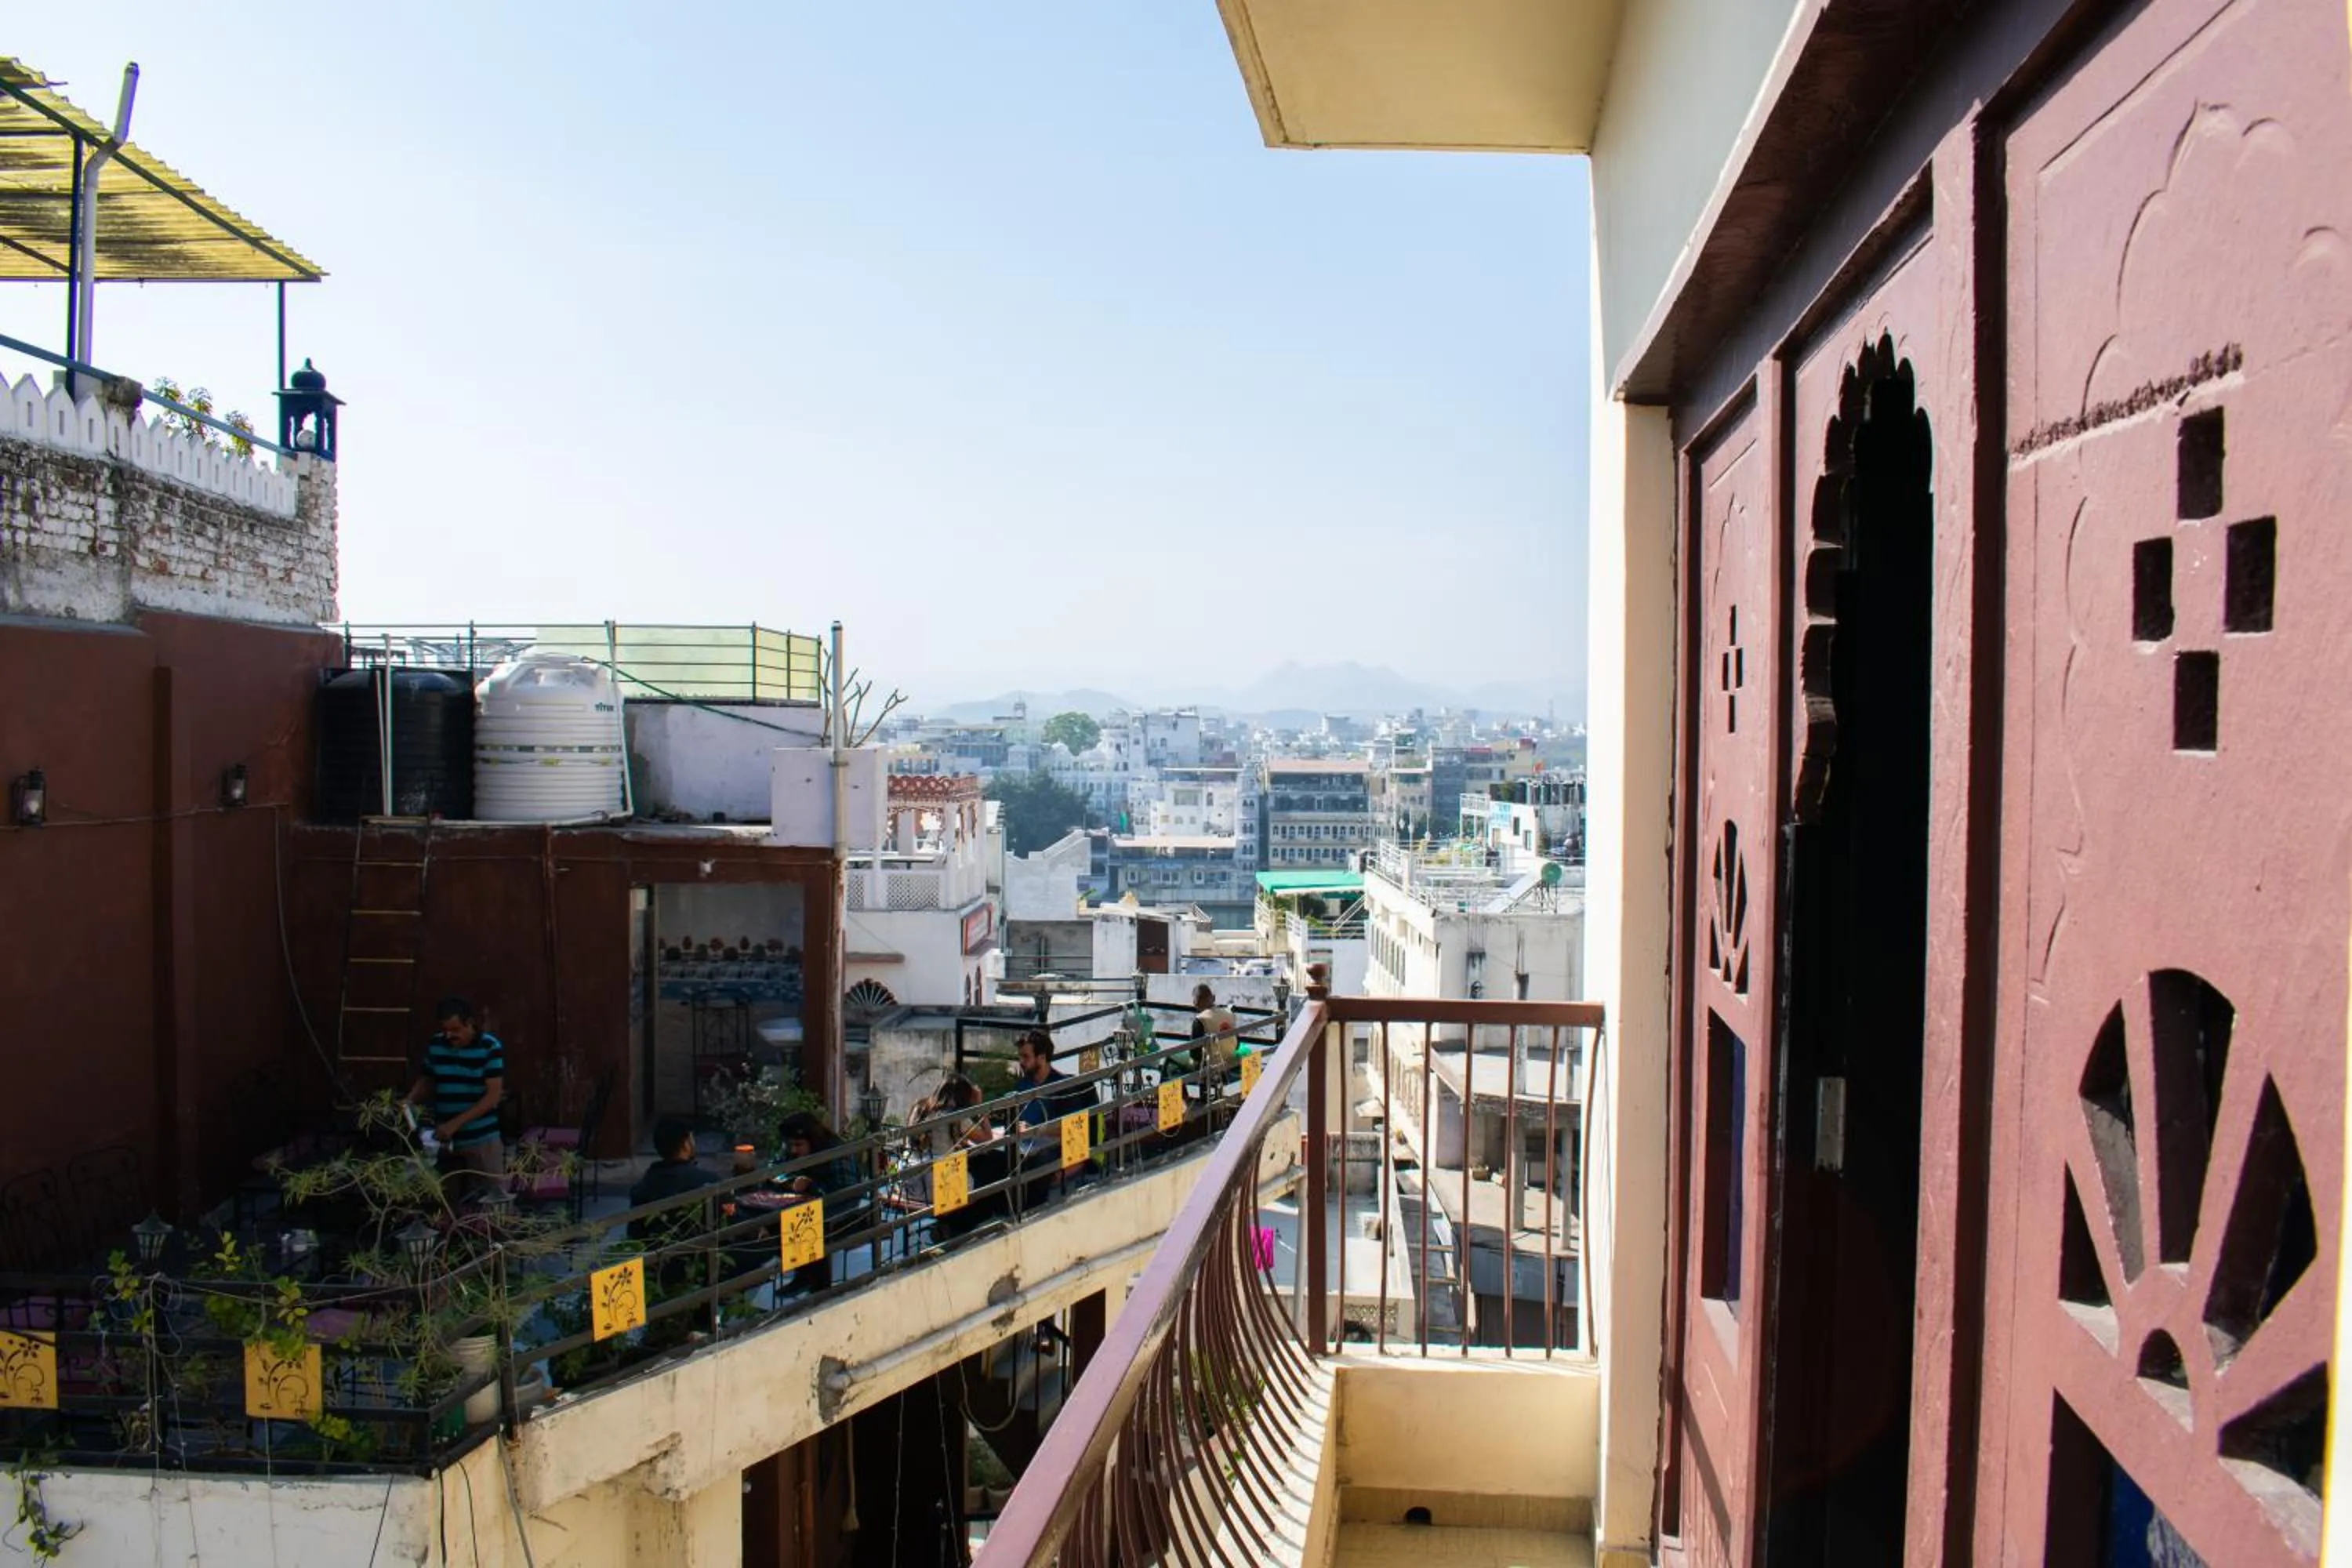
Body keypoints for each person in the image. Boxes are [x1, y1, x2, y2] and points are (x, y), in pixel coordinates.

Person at [405, 998, 506, 1209]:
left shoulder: (490, 1047)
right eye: (445, 1030)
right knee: (446, 1202)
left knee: (495, 1201)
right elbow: (427, 1078)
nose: (450, 1035)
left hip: (481, 1137)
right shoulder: (437, 1044)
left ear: (470, 1023)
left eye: (455, 1029)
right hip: (445, 1140)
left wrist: (455, 1124)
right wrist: (410, 1100)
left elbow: (492, 1096)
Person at [628, 1117, 722, 1291]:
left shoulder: (642, 1187)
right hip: (699, 1267)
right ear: (686, 1144)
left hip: (657, 1270)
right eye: (692, 1139)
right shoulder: (707, 1182)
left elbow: (635, 1235)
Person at [776, 1112, 860, 1290]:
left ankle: (817, 1283)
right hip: (805, 1203)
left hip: (841, 1206)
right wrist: (788, 1181)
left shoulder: (836, 1152)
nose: (793, 1151)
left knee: (808, 1223)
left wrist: (813, 1186)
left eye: (798, 1145)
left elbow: (846, 1191)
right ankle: (803, 1273)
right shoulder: (793, 1152)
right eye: (791, 1145)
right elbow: (775, 1167)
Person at [1014, 1032, 1096, 1210]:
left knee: (1037, 1164)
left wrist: (1037, 1130)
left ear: (1042, 1057)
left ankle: (1030, 1212)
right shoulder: (1022, 1085)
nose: (1021, 1062)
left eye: (1026, 1057)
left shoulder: (1063, 1086)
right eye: (1020, 1056)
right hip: (1025, 1145)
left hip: (1054, 1147)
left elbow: (1073, 1129)